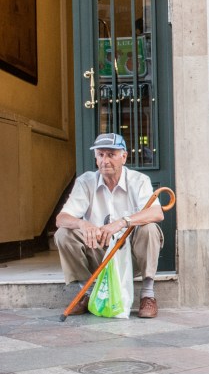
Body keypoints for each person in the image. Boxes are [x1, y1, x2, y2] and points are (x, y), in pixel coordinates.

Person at [55, 132, 164, 318]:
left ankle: (148, 294)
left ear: (124, 156)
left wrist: (122, 222)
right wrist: (82, 224)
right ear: (96, 158)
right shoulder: (85, 181)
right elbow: (61, 218)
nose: (105, 161)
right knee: (63, 234)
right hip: (99, 252)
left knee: (149, 228)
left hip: (131, 254)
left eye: (111, 154)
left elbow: (157, 213)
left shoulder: (139, 180)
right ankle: (87, 292)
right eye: (100, 155)